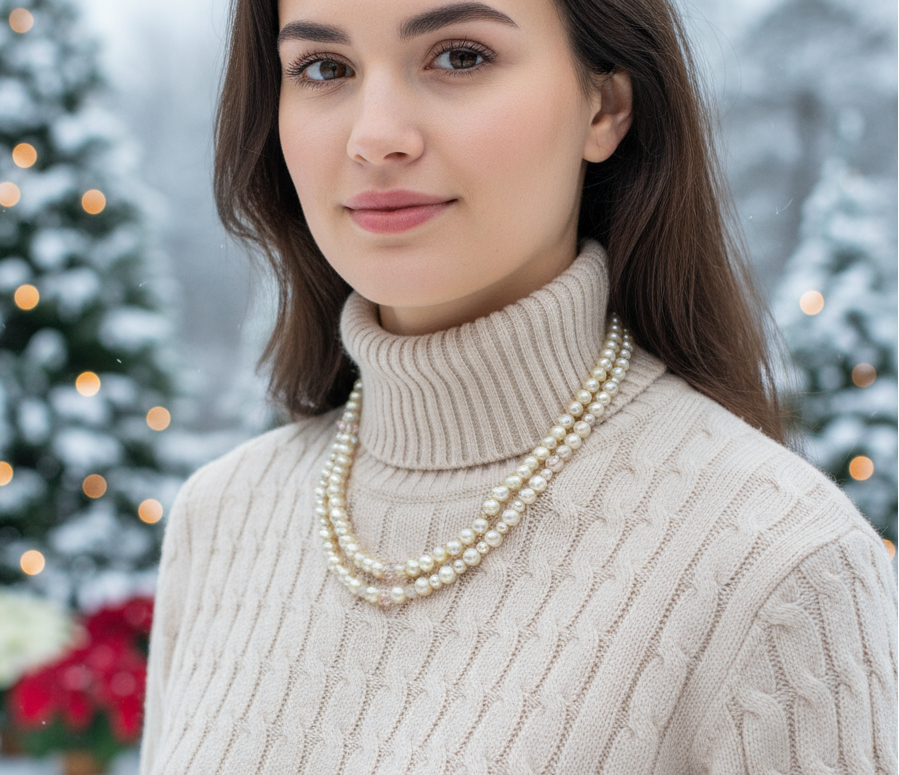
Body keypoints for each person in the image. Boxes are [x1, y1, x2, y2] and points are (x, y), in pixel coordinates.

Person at [138, 0, 898, 771]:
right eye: (324, 68)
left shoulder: (778, 566)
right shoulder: (221, 520)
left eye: (459, 56)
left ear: (605, 104)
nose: (375, 138)